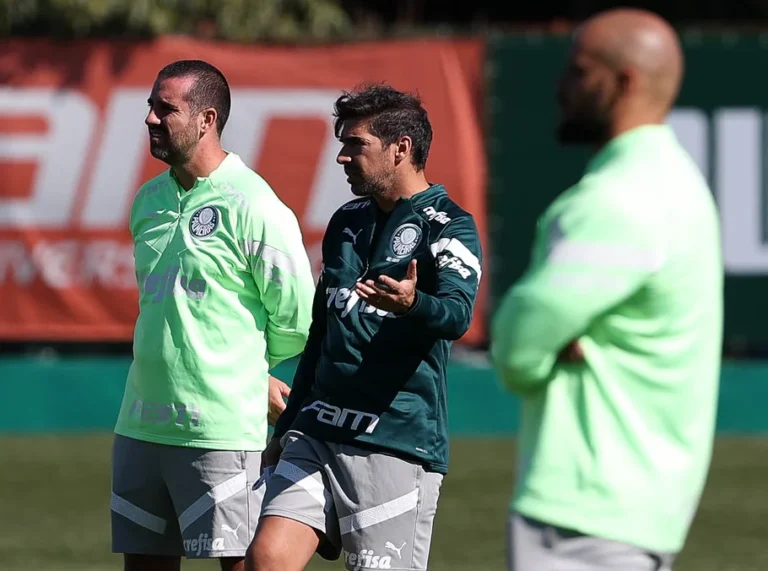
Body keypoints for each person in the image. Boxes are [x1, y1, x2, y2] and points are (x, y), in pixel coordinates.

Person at [490, 8, 723, 571]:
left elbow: (521, 337)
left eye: (578, 70)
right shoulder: (677, 182)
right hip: (637, 505)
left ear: (625, 82)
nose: (560, 84)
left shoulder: (620, 198)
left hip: (586, 506)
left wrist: (534, 356)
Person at [243, 83, 483, 571]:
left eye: (356, 144)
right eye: (342, 143)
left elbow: (457, 316)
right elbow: (322, 333)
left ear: (401, 149)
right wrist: (286, 429)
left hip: (393, 440)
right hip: (317, 430)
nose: (342, 157)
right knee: (265, 559)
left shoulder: (450, 227)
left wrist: (414, 303)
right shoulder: (346, 220)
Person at [110, 59, 316, 571]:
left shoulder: (256, 205)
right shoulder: (147, 202)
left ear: (205, 120)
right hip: (140, 424)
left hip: (219, 431)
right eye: (150, 108)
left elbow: (298, 321)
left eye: (166, 109)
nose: (151, 119)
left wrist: (251, 369)